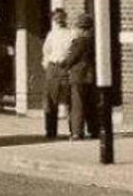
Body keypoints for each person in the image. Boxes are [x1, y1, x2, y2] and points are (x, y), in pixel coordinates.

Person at [63, 13, 98, 140]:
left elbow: (71, 59)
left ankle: (77, 132)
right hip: (91, 76)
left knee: (77, 104)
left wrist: (64, 64)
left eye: (78, 27)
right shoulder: (95, 41)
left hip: (78, 76)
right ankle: (94, 130)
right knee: (91, 104)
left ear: (82, 29)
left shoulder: (79, 42)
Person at [41, 8, 74, 139]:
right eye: (56, 18)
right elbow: (46, 51)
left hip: (65, 67)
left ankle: (74, 130)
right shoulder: (51, 34)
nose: (59, 20)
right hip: (53, 67)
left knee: (69, 98)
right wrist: (47, 65)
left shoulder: (71, 34)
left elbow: (72, 51)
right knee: (49, 100)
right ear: (53, 20)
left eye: (61, 18)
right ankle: (50, 131)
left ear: (65, 18)